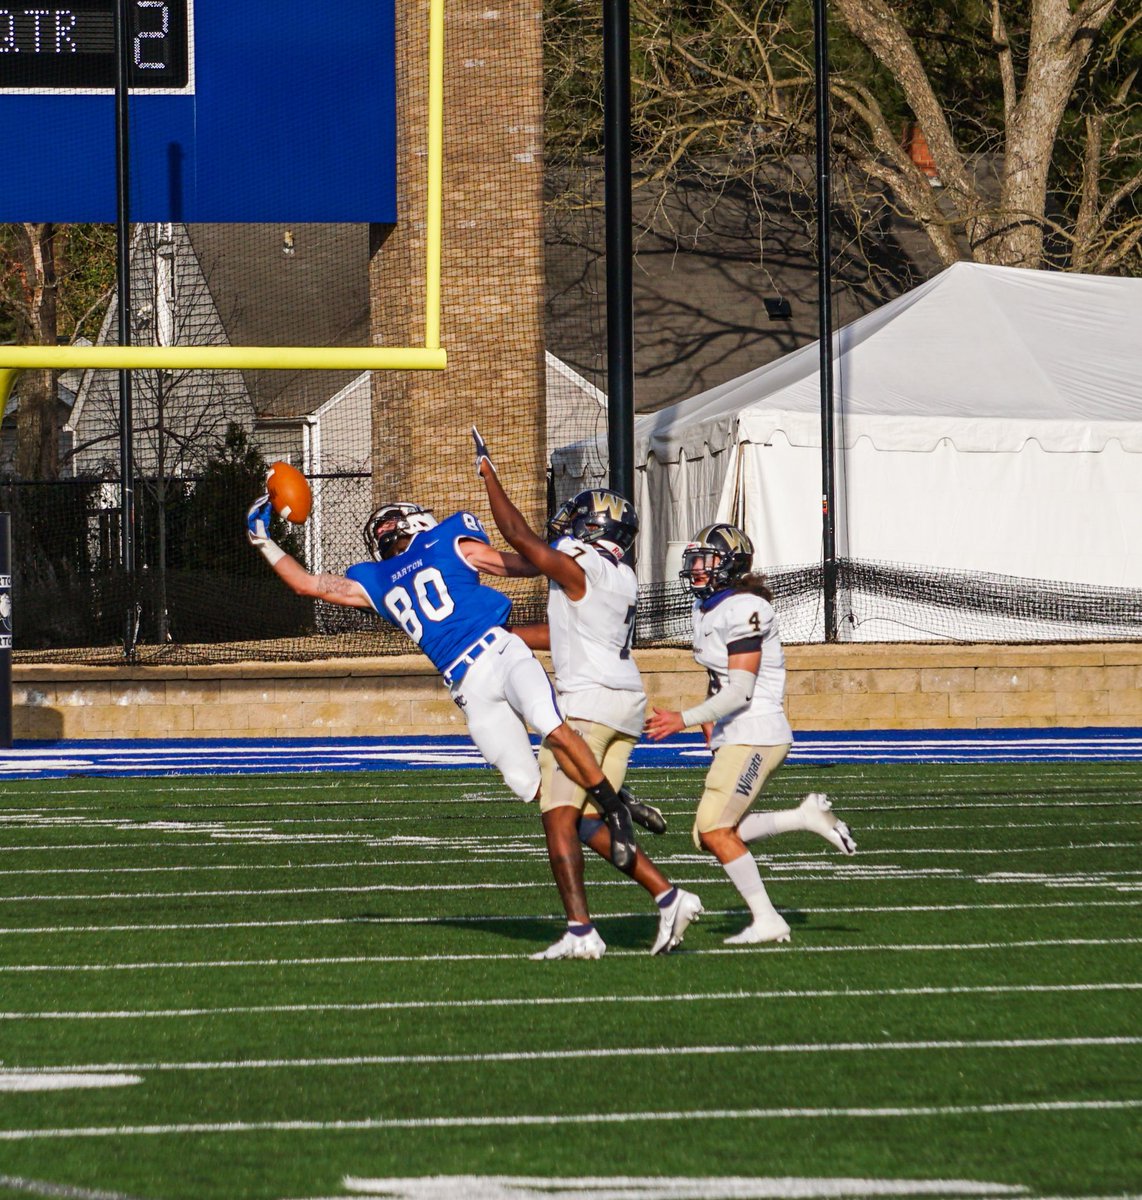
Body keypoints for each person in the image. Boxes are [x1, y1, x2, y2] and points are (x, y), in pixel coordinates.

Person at [246, 491, 644, 960]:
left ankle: (614, 806)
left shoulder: (412, 557)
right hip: (468, 681)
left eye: (387, 526)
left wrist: (262, 539)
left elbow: (309, 584)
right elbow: (309, 585)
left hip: (498, 652)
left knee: (550, 724)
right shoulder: (408, 559)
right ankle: (613, 811)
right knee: (531, 785)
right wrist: (263, 541)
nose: (386, 532)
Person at [474, 427, 703, 956]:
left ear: (593, 527)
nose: (568, 525)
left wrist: (489, 473)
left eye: (578, 519)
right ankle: (669, 897)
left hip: (590, 706)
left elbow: (519, 538)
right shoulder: (619, 576)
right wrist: (502, 637)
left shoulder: (584, 566)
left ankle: (581, 932)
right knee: (586, 821)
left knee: (557, 819)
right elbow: (563, 632)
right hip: (625, 705)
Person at [645, 522, 856, 945]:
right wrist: (709, 722)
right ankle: (803, 817)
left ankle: (768, 918)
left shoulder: (745, 607)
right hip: (737, 731)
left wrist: (682, 719)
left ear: (729, 565)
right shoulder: (706, 608)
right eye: (695, 561)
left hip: (756, 730)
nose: (696, 569)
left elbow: (741, 691)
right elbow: (719, 677)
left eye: (705, 560)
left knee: (712, 830)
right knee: (709, 833)